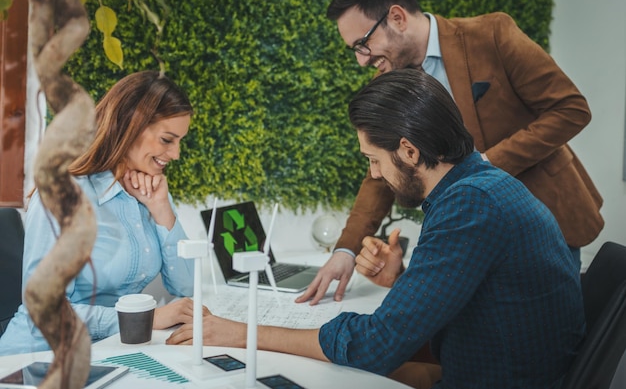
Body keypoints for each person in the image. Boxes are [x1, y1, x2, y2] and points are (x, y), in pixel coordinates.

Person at [167, 69, 585, 389]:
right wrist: (399, 282)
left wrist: (240, 333)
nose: (374, 173)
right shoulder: (481, 187)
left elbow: (375, 346)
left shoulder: (470, 205)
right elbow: (476, 299)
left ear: (408, 149)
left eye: (373, 158)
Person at [297, 0, 604, 306]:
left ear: (397, 18)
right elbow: (384, 168)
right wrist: (346, 249)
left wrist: (484, 167)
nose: (361, 59)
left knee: (541, 334)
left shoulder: (492, 34)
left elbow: (570, 108)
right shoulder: (389, 80)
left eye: (363, 43)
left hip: (548, 216)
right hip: (472, 235)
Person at [0, 70, 206, 355]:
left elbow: (185, 286)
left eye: (179, 141)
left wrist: (161, 209)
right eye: (167, 140)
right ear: (131, 126)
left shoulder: (149, 190)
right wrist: (145, 319)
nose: (176, 154)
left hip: (108, 350)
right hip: (38, 357)